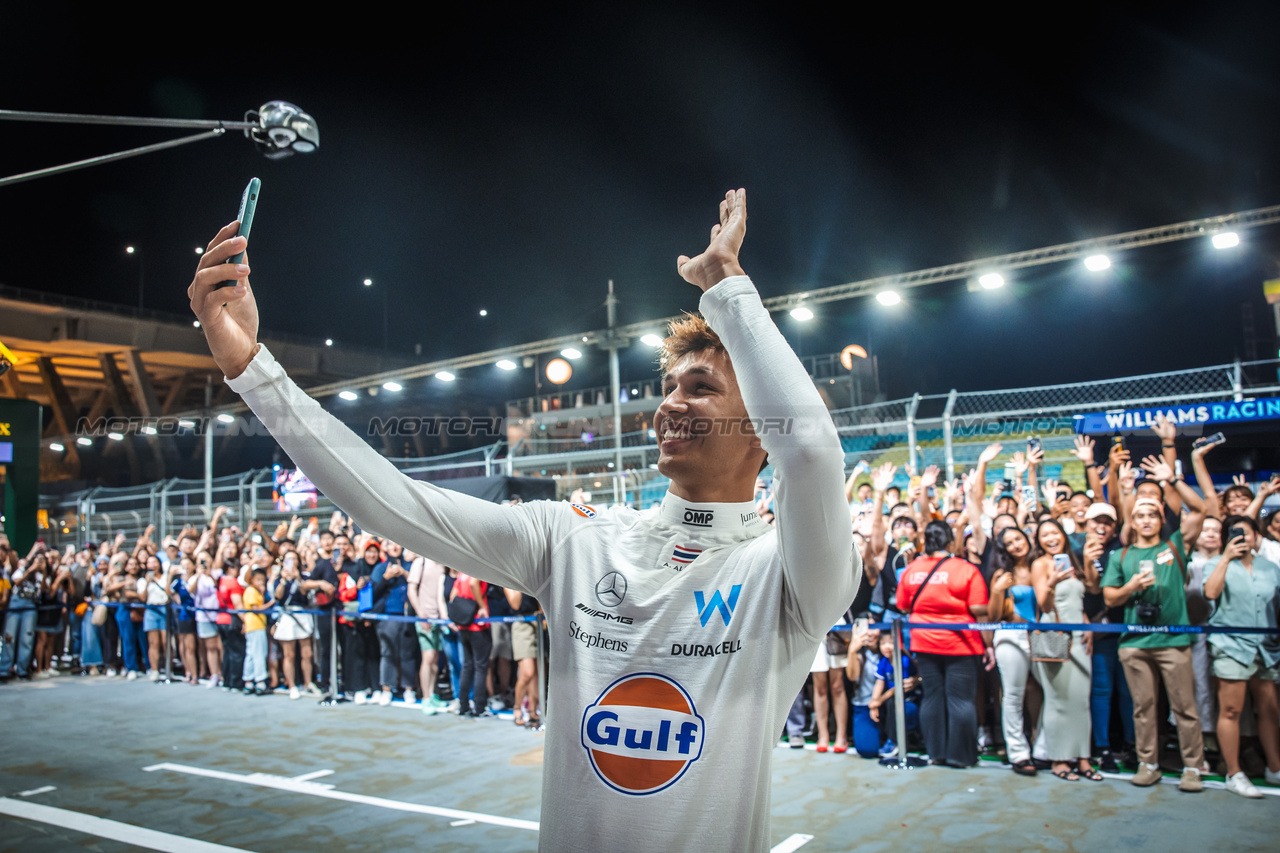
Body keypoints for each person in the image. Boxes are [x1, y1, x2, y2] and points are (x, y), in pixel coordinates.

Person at [189, 188, 857, 852]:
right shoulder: (577, 537)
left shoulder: (790, 574)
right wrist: (253, 369)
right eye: (668, 386)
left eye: (702, 388)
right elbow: (389, 500)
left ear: (760, 431)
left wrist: (728, 289)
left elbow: (812, 449)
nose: (669, 404)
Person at [1102, 484, 1207, 792]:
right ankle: (1148, 764)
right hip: (1134, 645)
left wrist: (1173, 482)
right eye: (1139, 515)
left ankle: (1192, 767)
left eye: (1152, 515)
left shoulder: (1175, 546)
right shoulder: (1120, 556)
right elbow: (1110, 598)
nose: (1146, 520)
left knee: (1184, 707)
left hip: (1173, 642)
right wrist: (1130, 587)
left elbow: (1200, 511)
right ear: (1131, 522)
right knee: (1143, 708)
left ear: (1162, 520)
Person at [895, 519, 991, 767]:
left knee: (932, 697)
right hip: (960, 643)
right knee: (960, 699)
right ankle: (961, 756)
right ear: (950, 541)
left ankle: (936, 753)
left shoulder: (912, 569)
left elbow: (902, 605)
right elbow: (980, 608)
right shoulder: (965, 568)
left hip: (924, 641)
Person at [1202, 515, 1280, 798]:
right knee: (1231, 711)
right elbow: (1211, 592)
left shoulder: (1271, 568)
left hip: (1267, 647)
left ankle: (1275, 767)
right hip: (1231, 645)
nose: (1242, 538)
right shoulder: (1215, 563)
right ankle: (1234, 773)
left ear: (1256, 536)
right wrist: (1225, 558)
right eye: (1236, 533)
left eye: (1247, 533)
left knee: (1269, 710)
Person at [1030, 519, 1101, 782]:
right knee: (1058, 701)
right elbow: (1045, 606)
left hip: (1080, 638)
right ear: (1038, 540)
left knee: (1081, 702)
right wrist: (1051, 582)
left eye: (1054, 532)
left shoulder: (1073, 562)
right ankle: (1059, 759)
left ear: (1063, 536)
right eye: (1044, 534)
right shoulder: (1040, 565)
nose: (1050, 538)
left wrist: (1087, 624)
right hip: (1053, 637)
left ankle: (1083, 758)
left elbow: (1089, 591)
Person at [986, 525, 1040, 776]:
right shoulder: (1001, 573)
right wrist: (997, 591)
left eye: (1018, 539)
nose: (1016, 545)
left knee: (1047, 692)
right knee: (1013, 695)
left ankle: (1043, 749)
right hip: (1011, 635)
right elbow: (994, 616)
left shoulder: (1041, 565)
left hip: (1042, 634)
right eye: (1009, 543)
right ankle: (1018, 753)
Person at [409, 555, 450, 715]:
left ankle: (432, 694)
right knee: (428, 657)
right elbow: (412, 589)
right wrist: (421, 613)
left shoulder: (444, 563)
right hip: (424, 618)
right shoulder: (421, 562)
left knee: (435, 659)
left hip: (440, 620)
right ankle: (426, 698)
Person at [274, 551, 318, 699]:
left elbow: (305, 593)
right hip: (287, 615)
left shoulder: (304, 576)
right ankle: (292, 685)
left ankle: (308, 682)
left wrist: (297, 578)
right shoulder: (279, 578)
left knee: (307, 653)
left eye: (293, 559)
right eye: (288, 559)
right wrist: (283, 580)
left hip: (302, 614)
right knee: (289, 654)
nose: (291, 562)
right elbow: (277, 596)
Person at [449, 570, 492, 717]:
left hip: (464, 625)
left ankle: (464, 705)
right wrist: (482, 606)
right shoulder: (476, 568)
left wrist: (458, 616)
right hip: (478, 625)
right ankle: (480, 707)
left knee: (467, 666)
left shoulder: (462, 572)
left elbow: (452, 596)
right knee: (480, 666)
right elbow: (474, 582)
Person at [505, 586, 543, 727]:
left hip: (536, 622)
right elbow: (515, 604)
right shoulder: (509, 582)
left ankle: (533, 711)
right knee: (527, 673)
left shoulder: (530, 580)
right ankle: (517, 708)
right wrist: (520, 583)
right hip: (521, 626)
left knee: (536, 675)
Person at [241, 567, 270, 695]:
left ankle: (248, 681)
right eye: (257, 579)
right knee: (259, 653)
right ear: (251, 579)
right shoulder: (251, 591)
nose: (260, 583)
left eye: (262, 581)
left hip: (253, 626)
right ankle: (260, 682)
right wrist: (272, 603)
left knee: (251, 654)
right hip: (256, 625)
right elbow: (256, 609)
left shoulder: (253, 591)